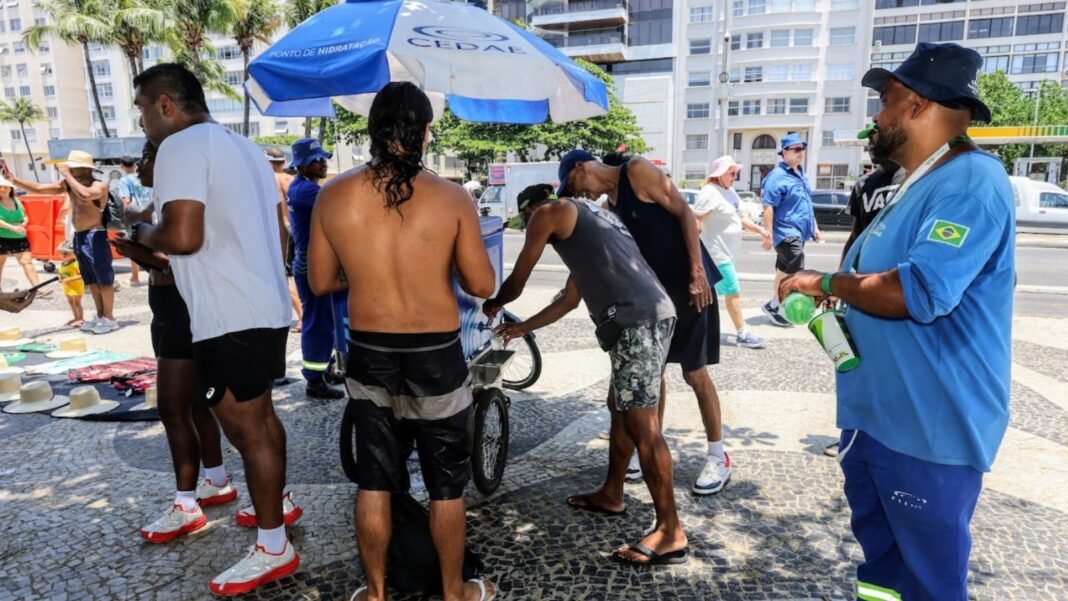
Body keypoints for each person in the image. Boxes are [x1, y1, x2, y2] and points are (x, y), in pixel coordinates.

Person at [779, 42, 1013, 601]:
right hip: (877, 422)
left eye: (883, 101)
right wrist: (844, 296)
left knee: (930, 584)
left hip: (927, 432)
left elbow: (919, 290)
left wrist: (825, 283)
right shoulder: (916, 182)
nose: (876, 117)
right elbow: (880, 284)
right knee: (883, 576)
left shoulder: (972, 180)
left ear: (915, 103)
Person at [308, 82, 496, 601]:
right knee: (446, 483)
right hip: (435, 352)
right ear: (424, 132)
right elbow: (482, 286)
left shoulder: (333, 195)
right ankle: (455, 592)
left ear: (372, 132)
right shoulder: (452, 197)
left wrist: (366, 278)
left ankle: (375, 594)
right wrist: (435, 265)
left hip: (369, 349)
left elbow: (321, 282)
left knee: (375, 480)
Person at [131, 62, 300, 596]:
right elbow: (282, 237)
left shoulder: (181, 147)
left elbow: (181, 236)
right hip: (265, 308)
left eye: (141, 110)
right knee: (263, 422)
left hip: (227, 314)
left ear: (165, 104)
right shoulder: (248, 149)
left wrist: (140, 228)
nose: (141, 124)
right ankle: (279, 516)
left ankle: (273, 548)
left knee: (247, 431)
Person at [485, 184, 687, 566]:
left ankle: (670, 530)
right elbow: (568, 300)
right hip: (653, 315)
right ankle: (612, 493)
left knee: (644, 427)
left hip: (636, 323)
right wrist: (522, 327)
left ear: (530, 211)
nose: (534, 234)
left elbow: (517, 281)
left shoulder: (550, 212)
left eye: (525, 222)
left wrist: (492, 302)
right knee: (620, 408)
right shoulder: (594, 222)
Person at [556, 149, 731, 497]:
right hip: (657, 299)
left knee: (695, 374)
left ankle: (717, 454)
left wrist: (697, 272)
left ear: (580, 167)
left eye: (573, 185)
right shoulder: (609, 207)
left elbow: (684, 211)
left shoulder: (635, 171)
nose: (577, 195)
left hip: (691, 286)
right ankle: (650, 449)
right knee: (655, 374)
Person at [112, 140, 243, 546]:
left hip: (184, 309)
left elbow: (187, 259)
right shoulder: (162, 204)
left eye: (150, 156)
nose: (143, 164)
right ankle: (216, 480)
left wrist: (145, 251)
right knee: (195, 402)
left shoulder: (183, 204)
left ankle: (186, 504)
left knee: (172, 405)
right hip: (167, 308)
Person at [2, 151, 117, 334]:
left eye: (73, 166)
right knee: (92, 280)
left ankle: (110, 318)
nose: (69, 168)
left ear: (85, 169)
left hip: (95, 235)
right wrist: (15, 181)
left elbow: (86, 195)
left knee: (104, 279)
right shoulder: (69, 184)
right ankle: (100, 315)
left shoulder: (99, 185)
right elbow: (41, 189)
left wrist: (66, 174)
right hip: (80, 235)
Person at [287, 138, 345, 400]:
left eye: (323, 158)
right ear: (301, 165)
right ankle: (314, 381)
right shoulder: (306, 191)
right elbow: (340, 205)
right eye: (316, 160)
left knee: (327, 321)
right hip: (312, 266)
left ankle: (326, 368)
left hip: (315, 263)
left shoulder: (304, 186)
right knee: (316, 322)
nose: (323, 163)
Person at [692, 156, 769, 350]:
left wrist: (761, 231)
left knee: (709, 294)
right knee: (733, 290)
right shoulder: (709, 192)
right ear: (720, 174)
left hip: (728, 252)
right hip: (715, 253)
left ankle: (694, 329)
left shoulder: (730, 192)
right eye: (731, 172)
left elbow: (740, 217)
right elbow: (696, 221)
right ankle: (742, 333)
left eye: (736, 172)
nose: (735, 176)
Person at [760, 133, 821, 328]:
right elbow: (768, 206)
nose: (800, 153)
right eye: (795, 149)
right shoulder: (777, 177)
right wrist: (768, 234)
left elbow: (807, 204)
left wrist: (815, 227)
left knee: (783, 271)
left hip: (800, 231)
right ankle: (787, 308)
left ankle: (773, 305)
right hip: (785, 232)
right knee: (796, 270)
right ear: (784, 152)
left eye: (802, 149)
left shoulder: (802, 174)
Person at [267, 147, 304, 332]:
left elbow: (278, 212)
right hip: (297, 229)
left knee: (285, 276)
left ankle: (302, 316)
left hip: (284, 231)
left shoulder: (273, 180)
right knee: (296, 275)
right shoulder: (293, 179)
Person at [0, 174, 43, 294]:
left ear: (10, 188)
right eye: (0, 187)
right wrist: (12, 227)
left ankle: (37, 288)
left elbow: (25, 216)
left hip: (20, 236)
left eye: (5, 187)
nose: (3, 189)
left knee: (27, 262)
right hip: (2, 237)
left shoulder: (17, 201)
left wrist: (22, 225)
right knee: (0, 264)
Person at [118, 155, 154, 286]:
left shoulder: (124, 180)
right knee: (150, 245)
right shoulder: (143, 178)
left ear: (121, 166)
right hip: (149, 214)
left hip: (135, 215)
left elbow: (126, 200)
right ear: (134, 165)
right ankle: (154, 274)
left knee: (134, 246)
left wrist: (125, 217)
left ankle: (135, 277)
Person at [56, 242, 85, 327]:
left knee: (77, 303)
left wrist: (69, 279)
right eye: (61, 252)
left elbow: (82, 275)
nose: (62, 255)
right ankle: (76, 317)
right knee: (71, 302)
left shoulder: (75, 263)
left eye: (65, 253)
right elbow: (61, 273)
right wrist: (60, 278)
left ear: (73, 254)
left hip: (76, 287)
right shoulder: (62, 264)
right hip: (67, 287)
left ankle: (80, 318)